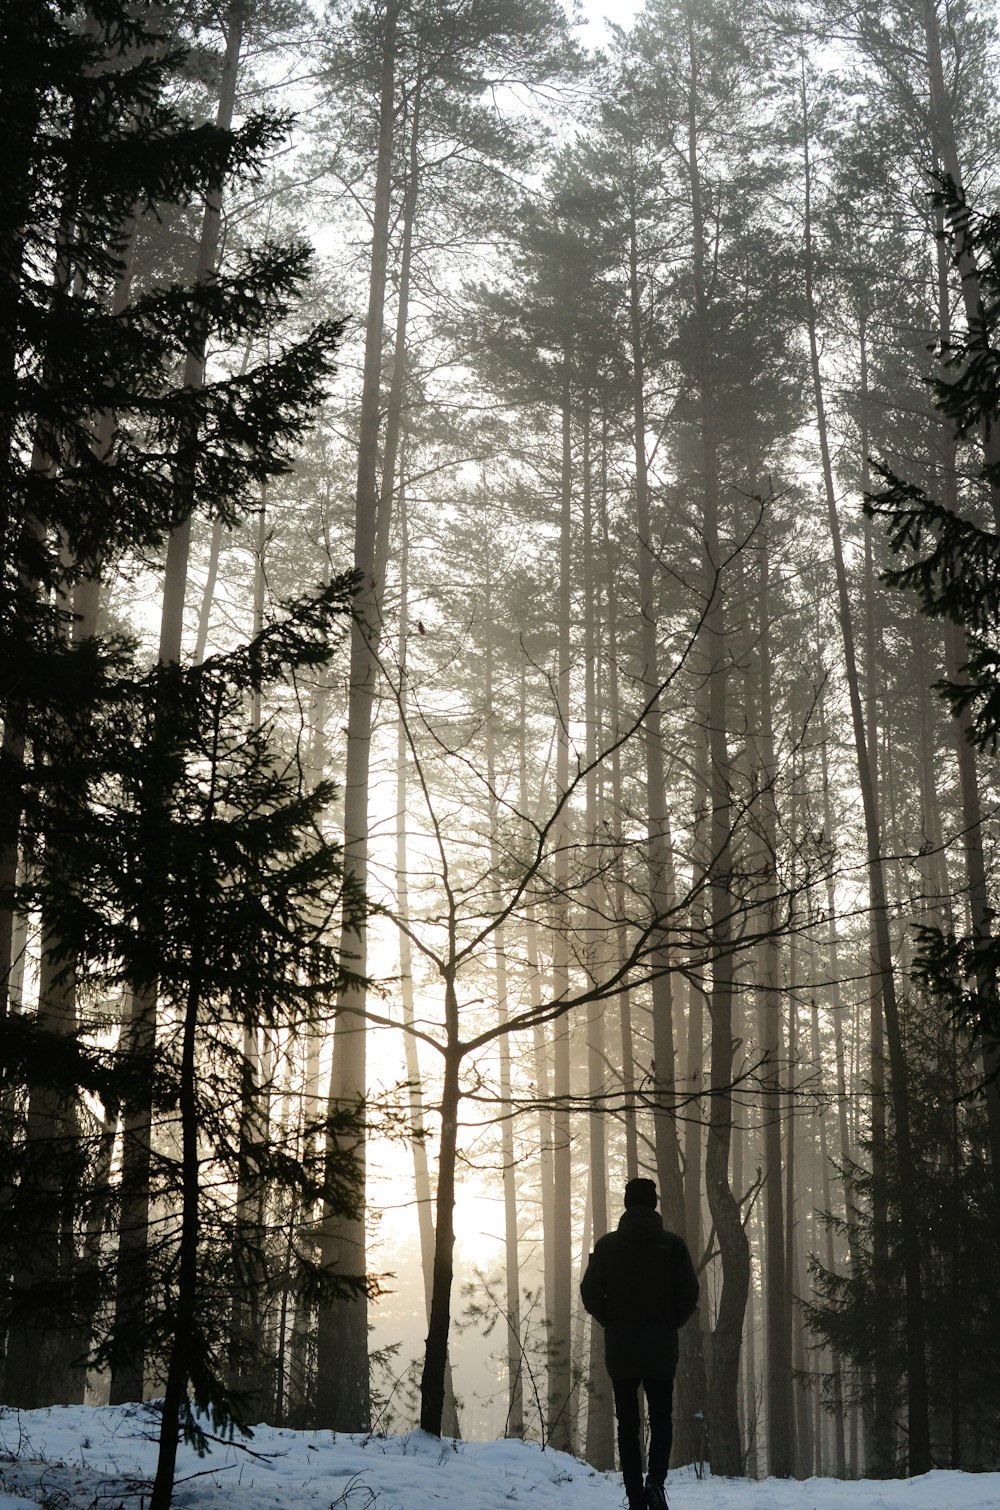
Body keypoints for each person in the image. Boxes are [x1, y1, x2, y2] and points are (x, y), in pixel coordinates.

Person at [580, 1177, 699, 1510]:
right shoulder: (673, 1246)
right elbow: (689, 1294)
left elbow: (590, 1293)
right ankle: (655, 1485)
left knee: (628, 1424)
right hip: (661, 1348)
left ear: (626, 1204)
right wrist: (669, 1322)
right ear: (655, 1204)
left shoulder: (607, 1247)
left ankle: (635, 1496)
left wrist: (611, 1320)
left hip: (622, 1350)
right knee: (661, 1419)